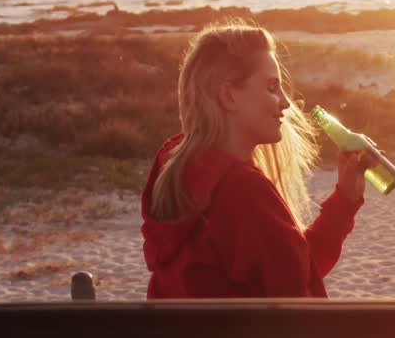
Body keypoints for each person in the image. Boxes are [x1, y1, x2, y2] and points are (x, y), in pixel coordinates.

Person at [142, 22, 368, 299]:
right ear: (228, 96)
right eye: (272, 87)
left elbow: (295, 270)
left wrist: (344, 201)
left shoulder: (175, 169)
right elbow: (299, 298)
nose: (286, 102)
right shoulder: (242, 190)